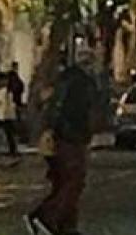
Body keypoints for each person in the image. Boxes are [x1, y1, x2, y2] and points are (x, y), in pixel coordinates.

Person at [26, 49, 100, 235]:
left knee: (65, 181)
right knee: (72, 181)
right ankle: (46, 217)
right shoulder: (79, 82)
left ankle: (65, 225)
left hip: (68, 135)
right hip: (69, 136)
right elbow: (70, 108)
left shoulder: (68, 80)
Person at [0, 70, 20, 160]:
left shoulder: (8, 91)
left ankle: (13, 152)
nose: (4, 82)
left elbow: (11, 104)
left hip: (6, 116)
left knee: (9, 135)